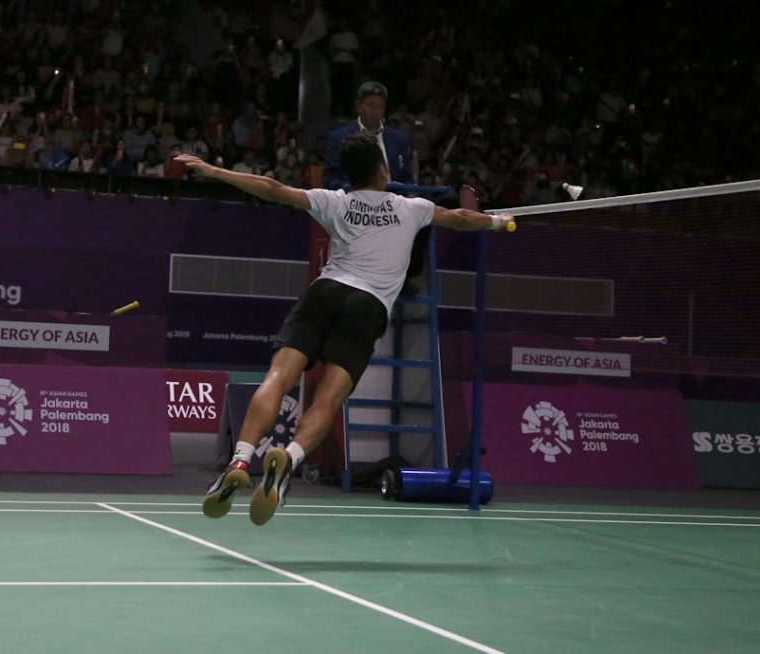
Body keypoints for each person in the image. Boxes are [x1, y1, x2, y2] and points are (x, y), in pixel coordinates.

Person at [176, 133, 514, 526]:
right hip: (367, 306)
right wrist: (496, 221)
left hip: (325, 292)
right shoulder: (413, 208)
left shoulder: (333, 200)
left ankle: (240, 459)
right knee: (328, 398)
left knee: (278, 377)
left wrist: (212, 170)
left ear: (349, 174)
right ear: (384, 170)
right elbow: (460, 218)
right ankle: (289, 458)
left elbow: (271, 189)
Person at [324, 81, 426, 294]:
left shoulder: (399, 139)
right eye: (370, 106)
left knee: (424, 217)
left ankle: (405, 277)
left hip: (392, 203)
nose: (375, 111)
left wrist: (411, 195)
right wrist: (349, 191)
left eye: (379, 106)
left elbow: (407, 177)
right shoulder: (339, 137)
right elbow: (330, 178)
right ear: (359, 106)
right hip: (356, 203)